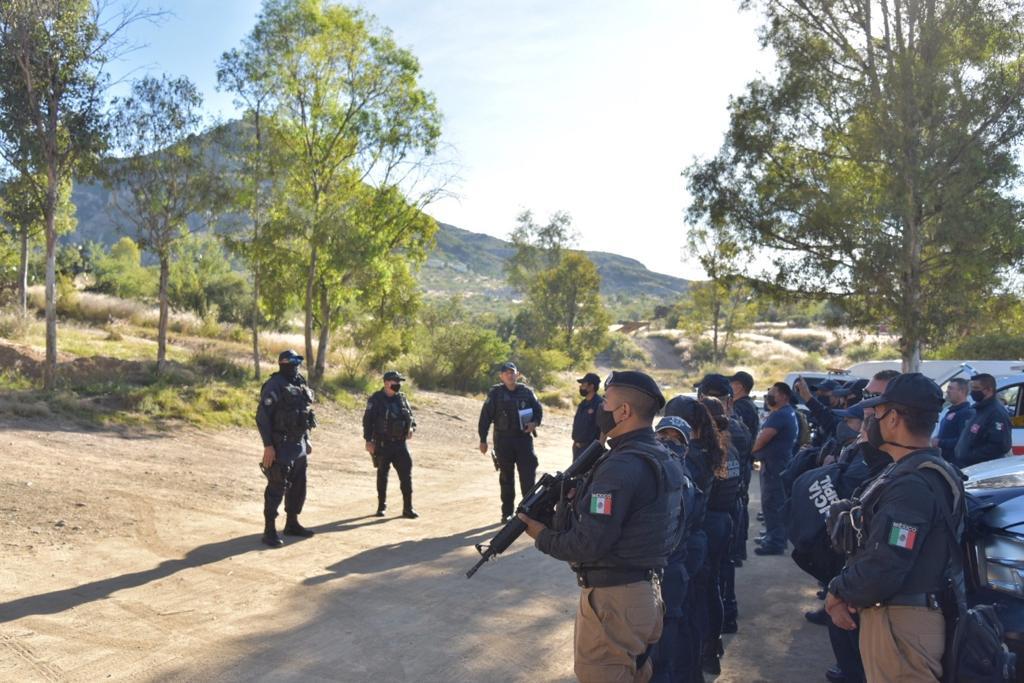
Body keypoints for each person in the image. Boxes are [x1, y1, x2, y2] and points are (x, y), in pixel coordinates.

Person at [518, 371, 685, 683]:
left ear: (624, 412)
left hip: (615, 602)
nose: (601, 409)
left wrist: (541, 534)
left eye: (607, 402)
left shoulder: (622, 464)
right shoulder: (659, 454)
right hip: (644, 592)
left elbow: (587, 544)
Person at [825, 373, 965, 683]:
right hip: (902, 619)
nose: (870, 420)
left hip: (901, 624)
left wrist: (837, 591)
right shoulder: (918, 470)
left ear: (894, 418)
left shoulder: (912, 485)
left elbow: (886, 563)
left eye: (876, 412)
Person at [256, 349, 317, 547]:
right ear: (283, 363)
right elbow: (262, 417)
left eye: (298, 362)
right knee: (277, 485)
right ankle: (269, 530)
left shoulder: (300, 382)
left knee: (299, 486)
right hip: (280, 444)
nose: (296, 366)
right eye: (292, 362)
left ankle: (292, 523)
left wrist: (306, 439)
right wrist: (268, 446)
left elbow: (305, 413)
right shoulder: (275, 385)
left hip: (298, 443)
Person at [478, 362, 544, 522]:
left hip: (523, 440)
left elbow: (538, 411)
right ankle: (507, 513)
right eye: (506, 373)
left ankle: (528, 510)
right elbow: (485, 417)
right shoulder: (495, 393)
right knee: (506, 477)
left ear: (517, 374)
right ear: (501, 376)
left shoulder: (527, 392)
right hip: (503, 440)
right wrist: (483, 439)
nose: (509, 375)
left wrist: (534, 423)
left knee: (528, 476)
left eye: (512, 372)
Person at [362, 370, 418, 519]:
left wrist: (411, 428)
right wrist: (368, 440)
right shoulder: (376, 399)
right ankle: (381, 507)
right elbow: (367, 421)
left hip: (400, 445)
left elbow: (412, 419)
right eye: (395, 382)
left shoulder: (402, 399)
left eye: (399, 382)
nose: (398, 385)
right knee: (382, 476)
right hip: (382, 444)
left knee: (406, 476)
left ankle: (408, 508)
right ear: (387, 383)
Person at [753, 381, 799, 555]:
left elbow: (763, 437)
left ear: (784, 396)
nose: (769, 396)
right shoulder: (785, 412)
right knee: (773, 502)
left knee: (773, 502)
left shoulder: (780, 415)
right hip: (776, 463)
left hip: (775, 465)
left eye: (773, 392)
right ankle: (772, 536)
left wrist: (752, 451)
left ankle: (775, 542)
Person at [954, 373, 1012, 468]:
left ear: (989, 390)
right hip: (970, 467)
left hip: (983, 469)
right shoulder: (980, 410)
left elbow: (999, 446)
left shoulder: (996, 413)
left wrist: (970, 456)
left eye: (976, 388)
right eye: (972, 388)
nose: (973, 392)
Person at [931, 378, 974, 464]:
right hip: (945, 460)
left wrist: (940, 442)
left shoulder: (966, 413)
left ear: (961, 391)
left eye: (950, 388)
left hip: (956, 463)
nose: (947, 391)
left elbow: (963, 440)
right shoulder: (951, 411)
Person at [573, 372, 605, 460]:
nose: (581, 386)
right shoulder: (583, 404)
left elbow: (603, 428)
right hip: (577, 448)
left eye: (583, 384)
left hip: (590, 450)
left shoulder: (599, 404)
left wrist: (600, 448)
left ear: (591, 386)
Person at [729, 371, 760, 440]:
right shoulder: (748, 404)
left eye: (731, 383)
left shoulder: (741, 407)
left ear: (739, 387)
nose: (728, 386)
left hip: (741, 449)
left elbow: (734, 430)